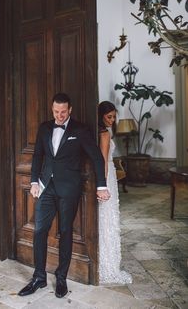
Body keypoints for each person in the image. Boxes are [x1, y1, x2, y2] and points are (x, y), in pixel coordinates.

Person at [18, 93, 110, 298]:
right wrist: (34, 181)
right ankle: (39, 278)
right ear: (52, 110)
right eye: (55, 112)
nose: (59, 116)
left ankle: (61, 278)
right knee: (40, 230)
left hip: (69, 189)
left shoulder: (81, 130)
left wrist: (101, 186)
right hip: (46, 187)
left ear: (70, 110)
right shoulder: (44, 127)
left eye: (63, 112)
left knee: (66, 231)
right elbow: (38, 155)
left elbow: (96, 158)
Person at [98, 101, 132, 284]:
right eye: (108, 116)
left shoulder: (103, 131)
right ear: (101, 115)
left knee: (108, 216)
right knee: (107, 216)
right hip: (107, 175)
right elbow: (103, 161)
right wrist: (102, 185)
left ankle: (106, 259)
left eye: (114, 116)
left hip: (109, 173)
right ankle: (107, 264)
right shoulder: (103, 133)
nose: (112, 120)